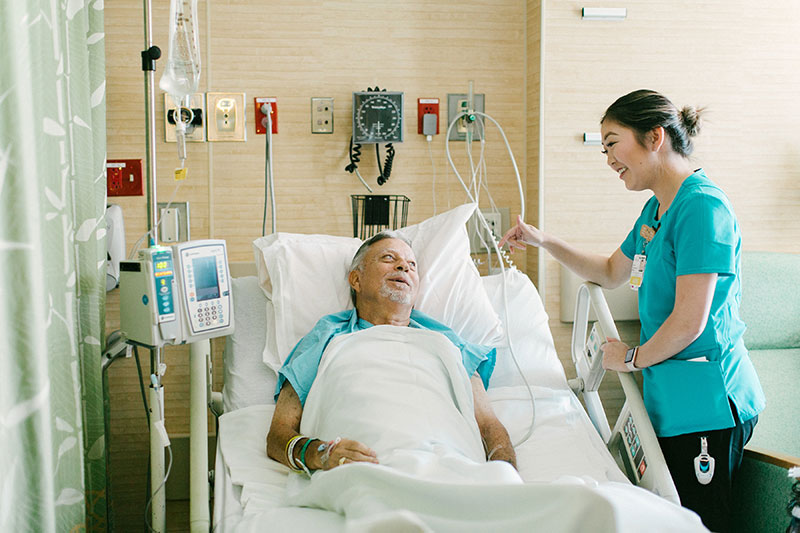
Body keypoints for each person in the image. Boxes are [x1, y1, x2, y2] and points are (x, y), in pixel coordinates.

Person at [499, 89, 764, 532]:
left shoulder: (702, 207)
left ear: (654, 137)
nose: (608, 159)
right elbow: (608, 271)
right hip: (673, 400)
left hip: (709, 403)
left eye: (612, 143)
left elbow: (689, 320)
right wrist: (542, 241)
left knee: (703, 523)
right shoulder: (657, 208)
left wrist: (630, 357)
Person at [266, 230, 516, 475]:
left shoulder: (446, 341)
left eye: (412, 264)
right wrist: (320, 453)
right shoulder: (327, 336)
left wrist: (504, 476)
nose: (403, 267)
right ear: (356, 280)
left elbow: (488, 426)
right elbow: (279, 435)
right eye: (388, 258)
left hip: (453, 463)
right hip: (364, 467)